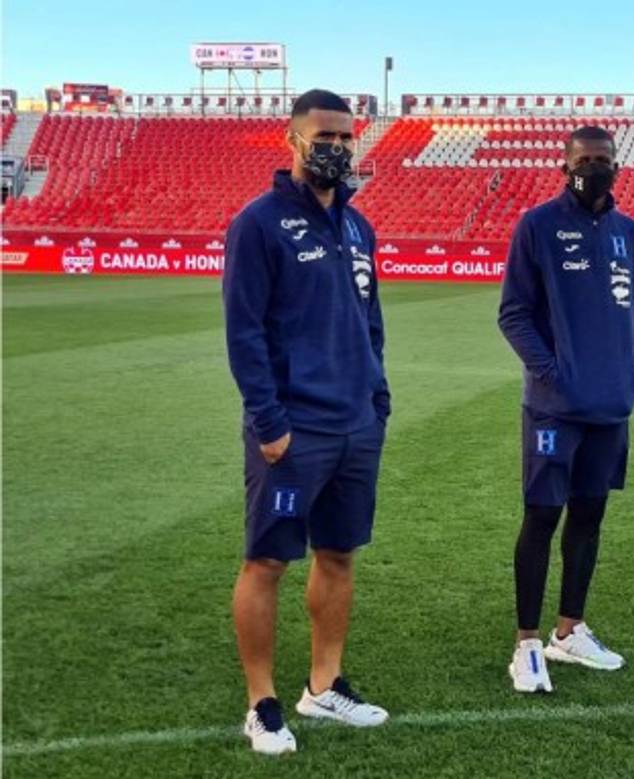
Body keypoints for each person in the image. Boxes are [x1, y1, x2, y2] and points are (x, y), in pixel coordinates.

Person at [223, 88, 391, 754]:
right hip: (293, 430)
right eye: (324, 136)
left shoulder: (358, 226)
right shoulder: (259, 223)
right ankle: (261, 702)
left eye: (347, 137)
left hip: (356, 424)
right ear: (291, 139)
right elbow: (244, 333)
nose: (338, 147)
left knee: (339, 555)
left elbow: (369, 322)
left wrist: (377, 398)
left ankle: (324, 685)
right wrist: (269, 421)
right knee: (267, 561)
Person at [497, 125, 634, 694]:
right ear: (565, 167)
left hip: (611, 407)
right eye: (584, 159)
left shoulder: (628, 233)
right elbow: (513, 314)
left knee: (589, 518)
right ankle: (527, 643)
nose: (594, 167)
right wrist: (554, 375)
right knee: (542, 516)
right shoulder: (537, 226)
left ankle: (571, 630)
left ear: (616, 165)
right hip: (554, 410)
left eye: (603, 159)